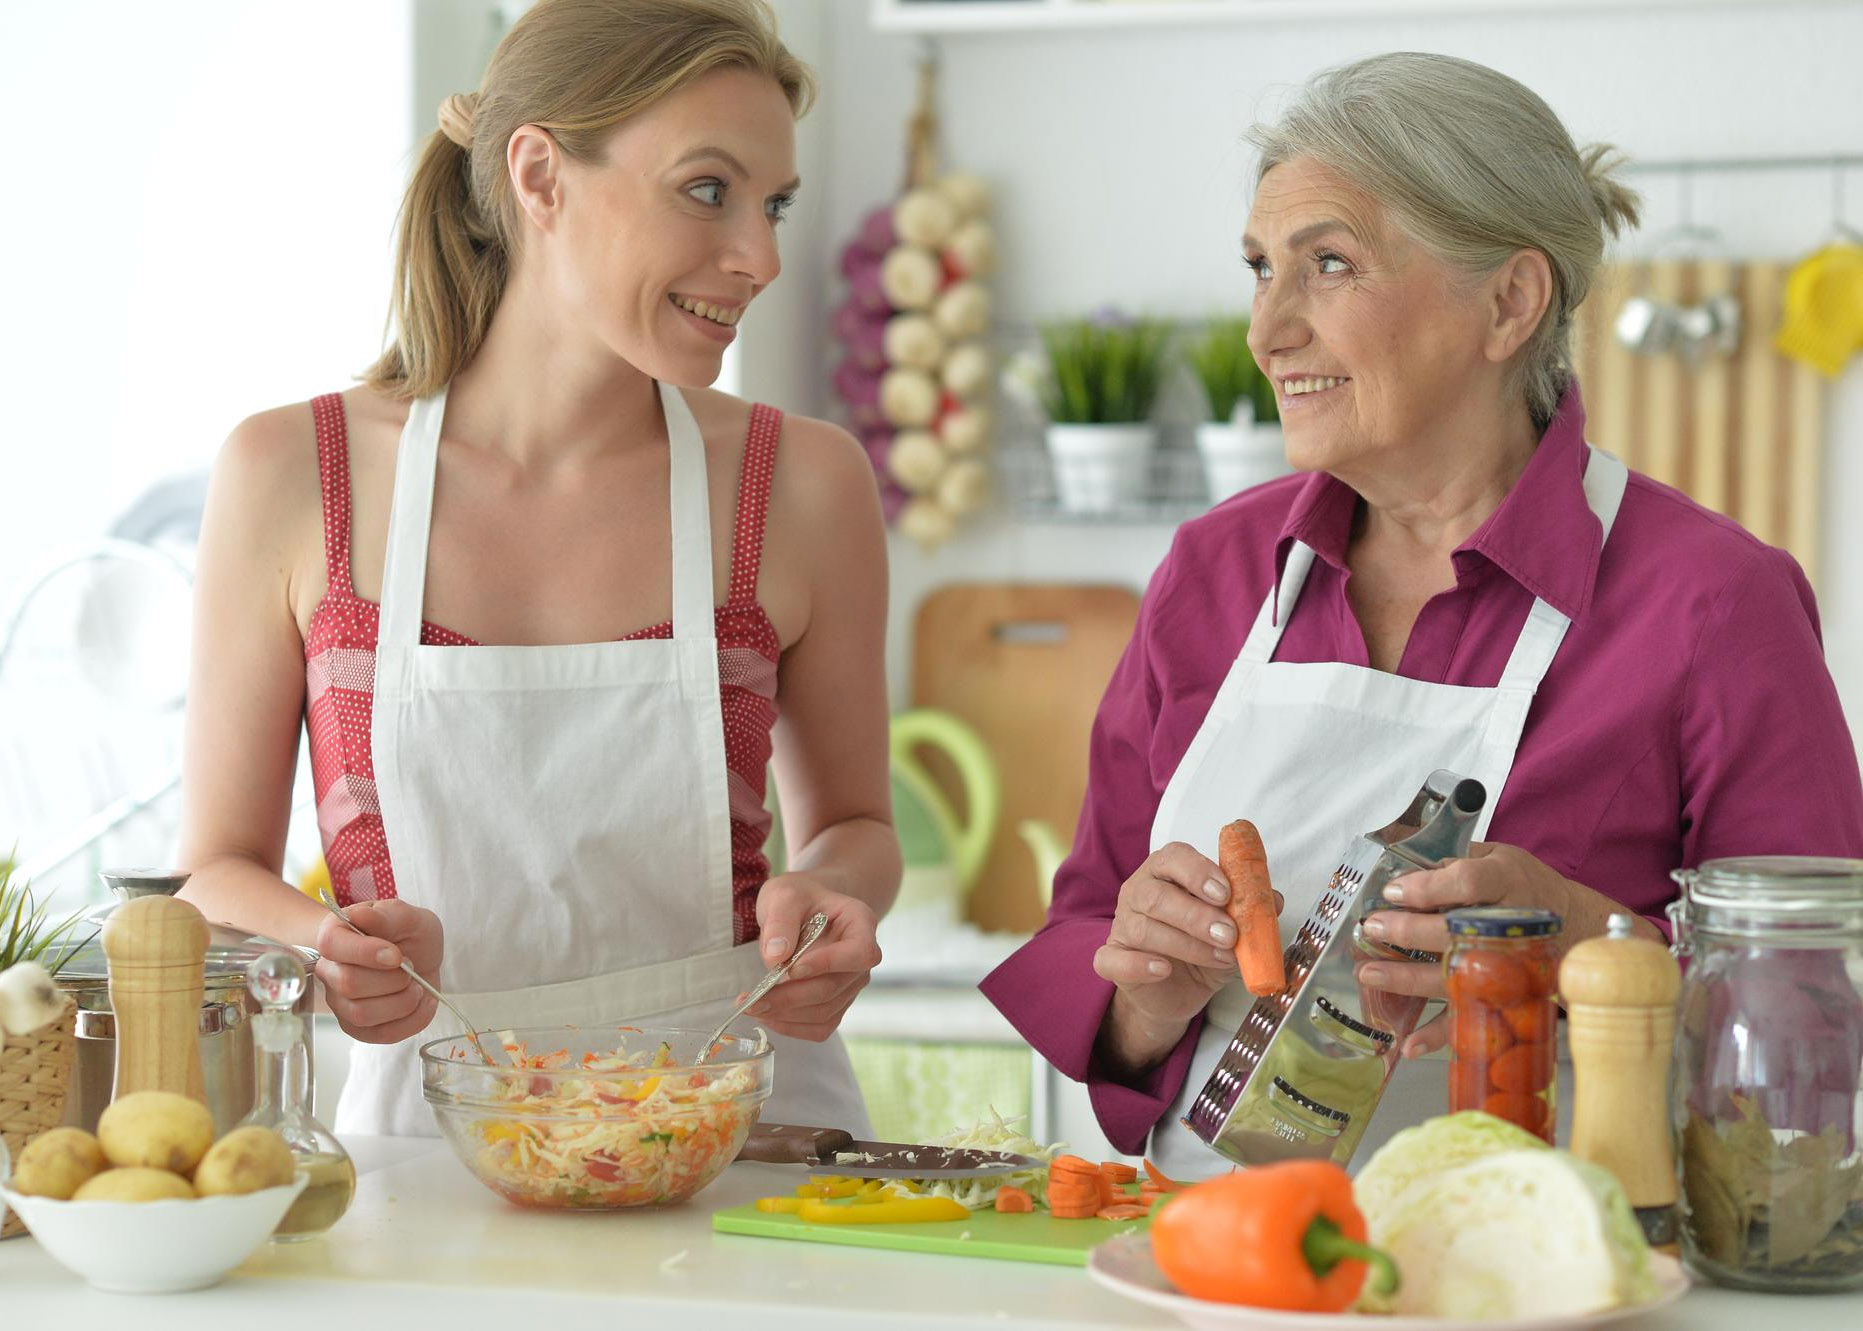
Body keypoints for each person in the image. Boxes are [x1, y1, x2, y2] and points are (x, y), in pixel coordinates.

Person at [981, 51, 1863, 1175]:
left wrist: (1593, 943)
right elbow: (1086, 932)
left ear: (1509, 301)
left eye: (1331, 265)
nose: (1267, 330)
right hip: (1203, 1267)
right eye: (1261, 268)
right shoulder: (1217, 570)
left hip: (1548, 1272)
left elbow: (1817, 1028)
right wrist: (1144, 995)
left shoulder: (1714, 603)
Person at [176, 0, 896, 1137]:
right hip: (427, 1156)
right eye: (708, 189)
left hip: (747, 1146)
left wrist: (836, 895)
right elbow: (214, 870)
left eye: (775, 204)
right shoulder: (293, 473)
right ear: (540, 176)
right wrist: (325, 945)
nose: (757, 255)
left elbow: (858, 821)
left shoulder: (802, 482)